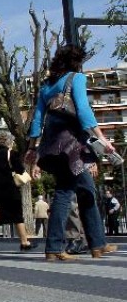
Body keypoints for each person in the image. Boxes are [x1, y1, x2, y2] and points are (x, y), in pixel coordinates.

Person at [25, 44, 117, 261]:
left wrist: (31, 148)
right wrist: (102, 140)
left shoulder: (47, 86)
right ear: (76, 62)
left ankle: (97, 244)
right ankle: (54, 247)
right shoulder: (76, 78)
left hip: (51, 145)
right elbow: (84, 111)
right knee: (65, 192)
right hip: (72, 147)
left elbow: (37, 119)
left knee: (87, 191)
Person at [0, 132, 37, 253]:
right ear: (9, 142)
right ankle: (24, 242)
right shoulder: (11, 154)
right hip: (8, 188)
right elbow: (20, 170)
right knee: (17, 215)